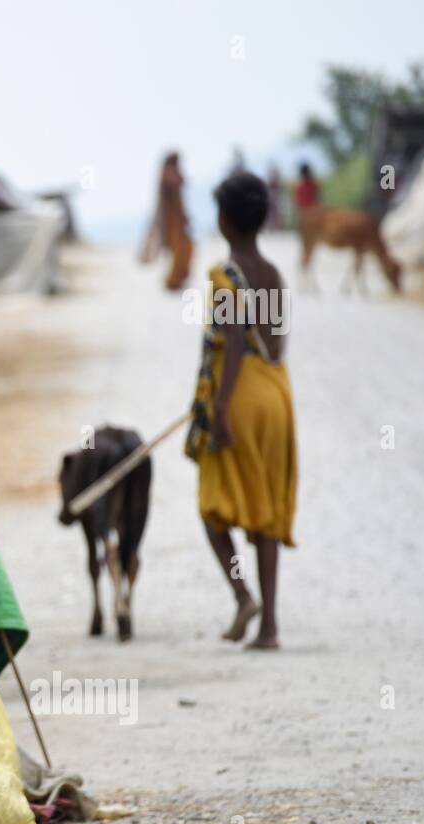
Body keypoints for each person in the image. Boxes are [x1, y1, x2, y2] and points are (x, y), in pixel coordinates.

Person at [184, 172, 297, 650]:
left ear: (225, 219)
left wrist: (223, 406)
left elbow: (232, 343)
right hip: (276, 395)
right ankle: (269, 625)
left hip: (241, 398)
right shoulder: (274, 274)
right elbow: (277, 343)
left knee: (215, 509)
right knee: (265, 511)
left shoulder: (224, 276)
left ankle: (241, 594)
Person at [156, 151, 193, 289]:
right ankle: (173, 280)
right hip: (174, 219)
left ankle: (177, 278)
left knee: (183, 248)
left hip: (175, 219)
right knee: (179, 249)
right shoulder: (169, 174)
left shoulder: (169, 174)